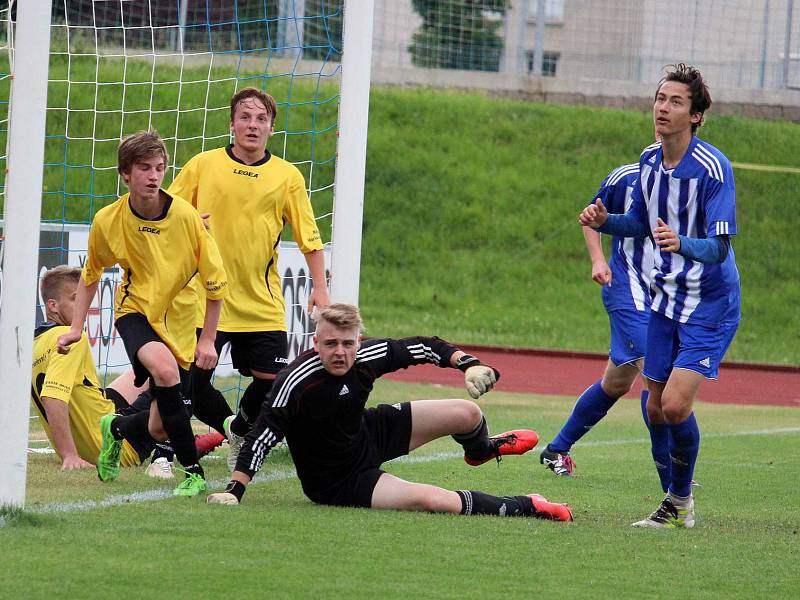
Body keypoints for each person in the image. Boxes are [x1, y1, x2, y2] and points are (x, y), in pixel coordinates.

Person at [207, 304, 572, 522]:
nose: (339, 352)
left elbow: (421, 347)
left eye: (347, 343)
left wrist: (469, 364)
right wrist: (234, 491)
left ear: (358, 341)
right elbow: (263, 435)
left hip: (367, 432)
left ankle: (480, 450)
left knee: (467, 412)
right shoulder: (297, 380)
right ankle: (529, 505)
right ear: (315, 343)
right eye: (330, 343)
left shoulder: (367, 356)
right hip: (338, 479)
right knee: (434, 500)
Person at [580, 64, 740, 528]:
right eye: (659, 99)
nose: (662, 108)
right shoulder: (649, 161)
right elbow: (640, 224)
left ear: (696, 117)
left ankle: (680, 503)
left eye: (675, 102)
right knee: (653, 406)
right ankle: (676, 504)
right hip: (665, 299)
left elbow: (720, 246)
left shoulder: (713, 169)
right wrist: (604, 220)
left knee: (673, 405)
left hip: (710, 302)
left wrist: (681, 243)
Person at [57, 130, 229, 497]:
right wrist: (75, 328)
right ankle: (193, 474)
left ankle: (117, 428)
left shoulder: (186, 219)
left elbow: (216, 287)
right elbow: (91, 276)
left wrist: (209, 339)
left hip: (181, 324)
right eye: (144, 168)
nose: (154, 176)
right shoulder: (108, 220)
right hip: (134, 312)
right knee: (164, 371)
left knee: (159, 426)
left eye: (159, 168)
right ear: (125, 174)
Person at [168, 87, 330, 471]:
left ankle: (238, 429)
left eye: (261, 119)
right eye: (245, 117)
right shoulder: (203, 165)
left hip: (261, 300)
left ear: (272, 128)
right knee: (190, 385)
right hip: (205, 299)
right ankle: (166, 450)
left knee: (274, 383)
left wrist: (320, 288)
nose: (252, 125)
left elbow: (309, 237)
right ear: (232, 124)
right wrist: (187, 220)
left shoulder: (286, 176)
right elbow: (167, 209)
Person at [31, 266, 224, 476]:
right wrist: (70, 455)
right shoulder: (72, 338)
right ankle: (228, 432)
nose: (84, 307)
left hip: (100, 421)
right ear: (53, 305)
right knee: (177, 376)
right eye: (75, 299)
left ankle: (199, 435)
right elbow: (52, 397)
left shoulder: (37, 342)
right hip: (122, 444)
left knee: (149, 371)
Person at [540, 161, 654, 478]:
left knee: (616, 383)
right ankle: (674, 473)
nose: (663, 114)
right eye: (660, 107)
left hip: (663, 295)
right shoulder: (627, 177)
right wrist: (598, 259)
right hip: (627, 290)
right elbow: (591, 217)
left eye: (674, 106)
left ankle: (556, 449)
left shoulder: (691, 180)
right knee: (658, 378)